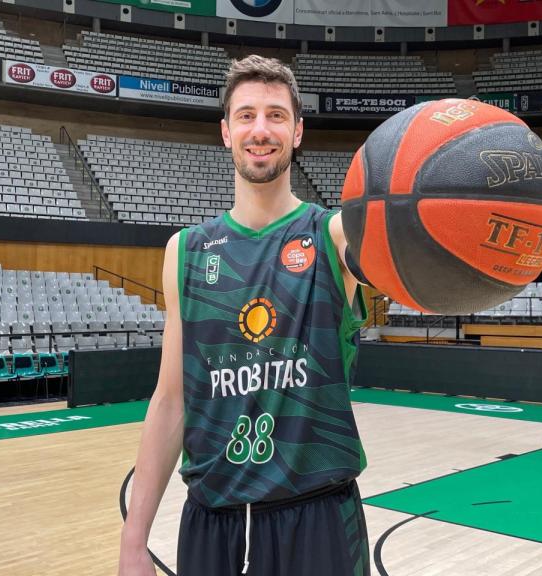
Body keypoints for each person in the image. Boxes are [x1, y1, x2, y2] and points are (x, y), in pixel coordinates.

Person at [118, 55, 371, 576]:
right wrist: (134, 540)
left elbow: (408, 258)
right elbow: (170, 400)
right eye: (246, 115)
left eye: (276, 115)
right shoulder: (186, 251)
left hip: (318, 516)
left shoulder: (335, 234)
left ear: (297, 132)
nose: (261, 130)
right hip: (213, 520)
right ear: (226, 131)